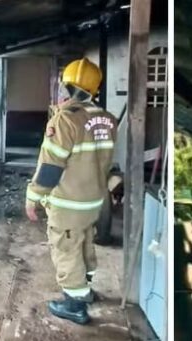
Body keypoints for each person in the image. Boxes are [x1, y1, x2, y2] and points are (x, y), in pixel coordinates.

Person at [26, 58, 117, 325]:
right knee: (85, 242)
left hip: (69, 202)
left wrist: (32, 197)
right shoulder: (108, 119)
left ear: (66, 86)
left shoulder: (65, 120)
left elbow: (51, 167)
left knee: (66, 248)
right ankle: (85, 291)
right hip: (94, 200)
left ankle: (74, 303)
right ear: (95, 89)